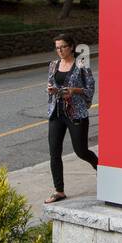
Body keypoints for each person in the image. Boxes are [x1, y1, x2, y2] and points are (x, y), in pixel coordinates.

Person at [45, 34, 97, 202]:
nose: (60, 50)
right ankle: (59, 190)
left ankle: (104, 170)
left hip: (76, 113)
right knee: (54, 152)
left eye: (63, 47)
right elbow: (50, 84)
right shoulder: (53, 65)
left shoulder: (81, 64)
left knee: (81, 151)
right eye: (57, 47)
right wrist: (51, 89)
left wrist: (74, 91)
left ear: (71, 47)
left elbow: (89, 88)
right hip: (57, 113)